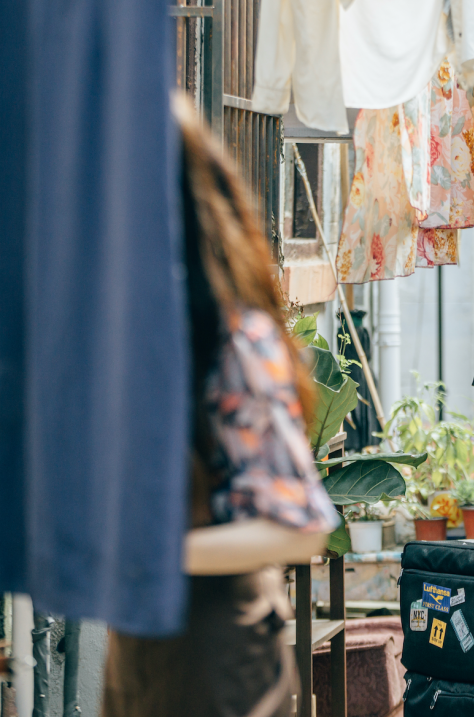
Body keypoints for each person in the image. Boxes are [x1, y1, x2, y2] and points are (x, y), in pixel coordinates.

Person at [103, 98, 340, 717]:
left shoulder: (232, 340)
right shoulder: (130, 335)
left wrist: (162, 552)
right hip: (141, 647)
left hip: (219, 654)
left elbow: (302, 527)